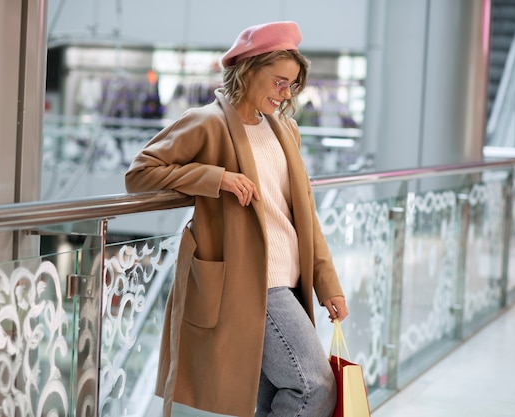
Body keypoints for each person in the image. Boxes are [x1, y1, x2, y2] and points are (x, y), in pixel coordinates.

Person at [124, 21, 349, 417]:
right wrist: (216, 178)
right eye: (279, 81)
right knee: (314, 386)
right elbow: (140, 174)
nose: (285, 94)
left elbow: (304, 215)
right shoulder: (208, 123)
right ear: (248, 69)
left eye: (292, 86)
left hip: (290, 280)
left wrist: (326, 283)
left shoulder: (286, 130)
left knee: (268, 398)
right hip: (253, 284)